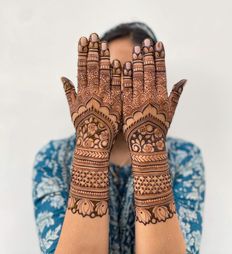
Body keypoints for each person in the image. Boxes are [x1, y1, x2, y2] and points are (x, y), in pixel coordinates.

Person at [32, 22, 205, 254]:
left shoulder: (185, 157)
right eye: (112, 73)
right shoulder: (53, 157)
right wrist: (92, 145)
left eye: (132, 76)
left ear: (154, 81)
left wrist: (148, 149)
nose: (122, 88)